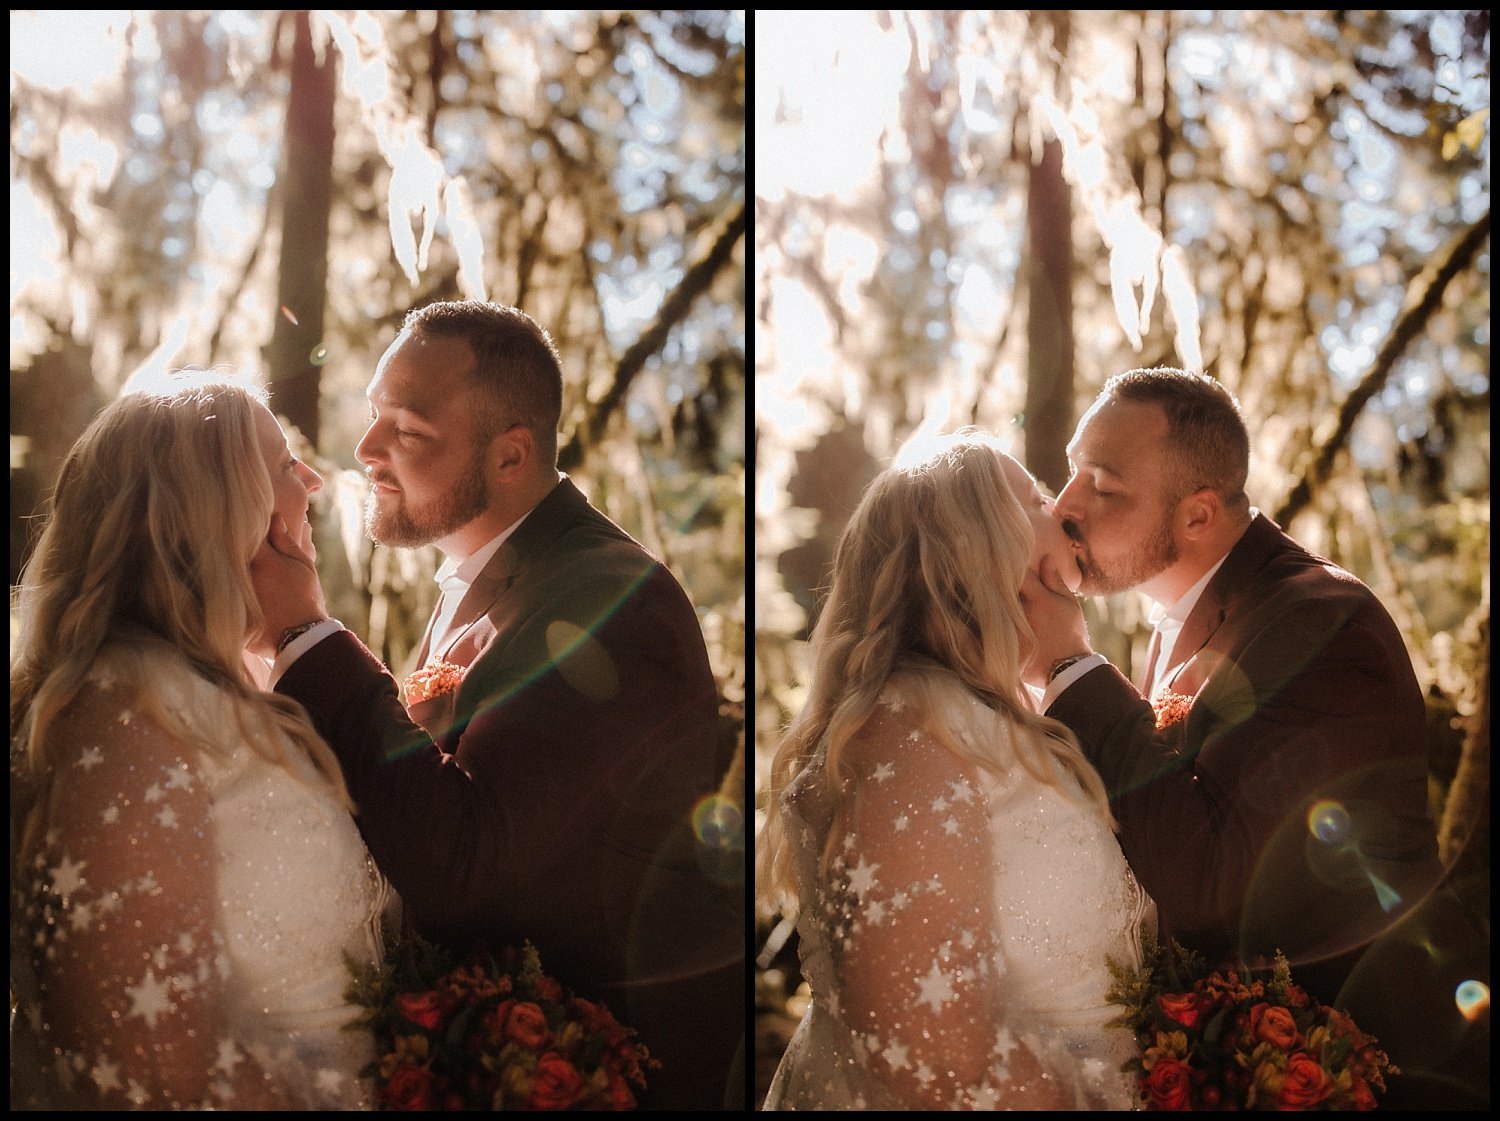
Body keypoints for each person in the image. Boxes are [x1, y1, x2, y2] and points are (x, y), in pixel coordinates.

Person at [249, 300, 745, 1110]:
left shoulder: (611, 601)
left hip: (586, 1075)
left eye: (408, 430)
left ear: (511, 453)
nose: (365, 449)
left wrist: (308, 634)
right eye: (373, 414)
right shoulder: (488, 577)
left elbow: (464, 859)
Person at [1021, 366, 1487, 1108]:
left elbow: (1218, 887)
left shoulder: (1322, 623)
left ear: (1197, 515)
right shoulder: (1176, 625)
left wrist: (1070, 665)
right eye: (1073, 470)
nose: (1066, 503)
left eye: (1103, 486)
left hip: (1380, 1063)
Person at [10, 372, 388, 1111]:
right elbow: (144, 1062)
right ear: (223, 511)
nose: (314, 480)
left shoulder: (221, 694)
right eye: (286, 465)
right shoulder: (121, 709)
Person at [756, 430, 1156, 1111]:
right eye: (1035, 498)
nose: (1063, 510)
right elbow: (928, 1037)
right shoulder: (908, 727)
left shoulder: (995, 721)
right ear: (980, 542)